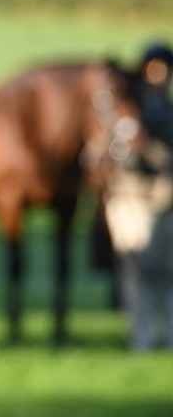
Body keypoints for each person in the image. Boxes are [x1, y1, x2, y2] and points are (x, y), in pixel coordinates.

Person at [103, 42, 173, 350]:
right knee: (133, 266)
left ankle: (167, 333)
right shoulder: (128, 108)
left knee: (163, 269)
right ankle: (141, 335)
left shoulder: (166, 111)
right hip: (127, 195)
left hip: (161, 197)